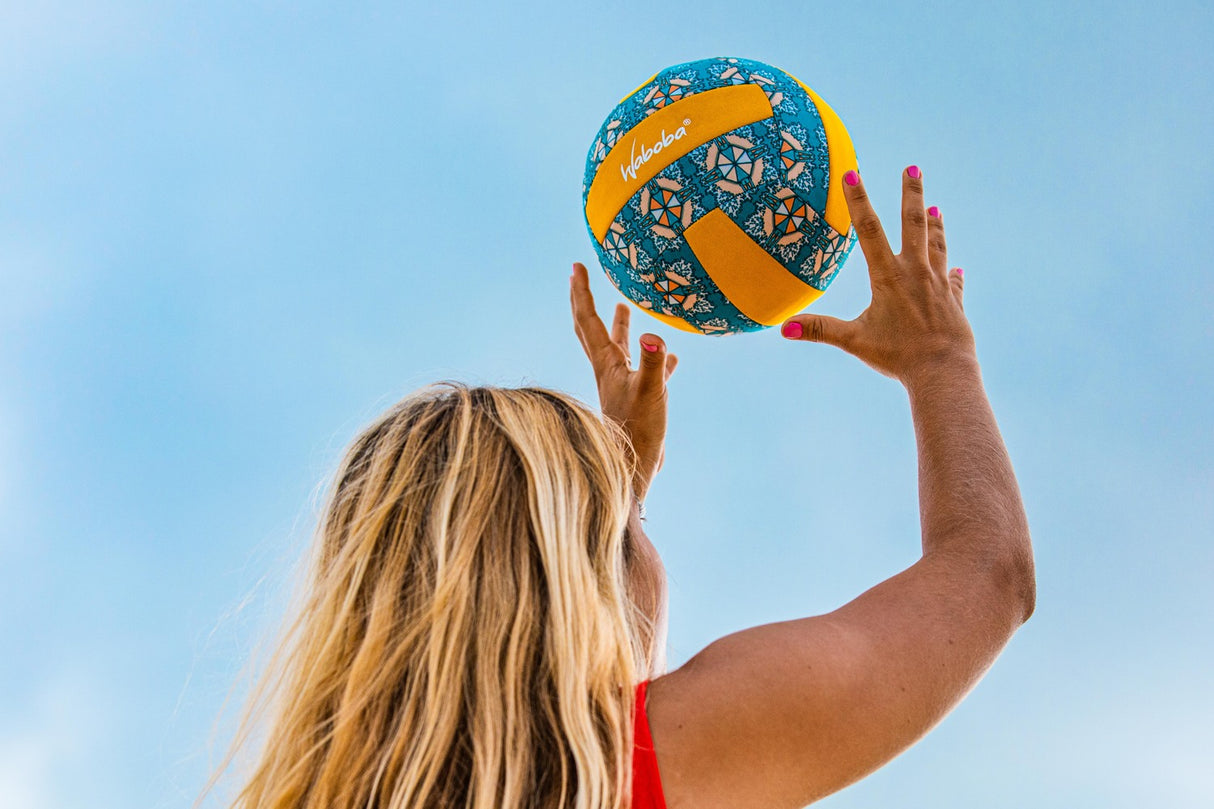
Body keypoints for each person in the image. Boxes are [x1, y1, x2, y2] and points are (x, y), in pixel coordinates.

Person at [202, 166, 1035, 809]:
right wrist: (939, 362)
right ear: (584, 578)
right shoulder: (636, 764)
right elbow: (986, 573)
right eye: (631, 535)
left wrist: (609, 502)